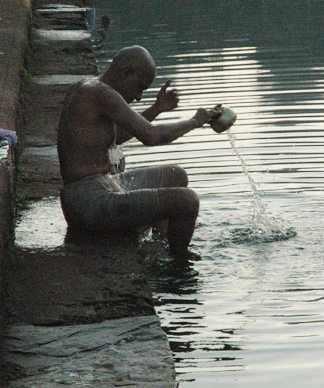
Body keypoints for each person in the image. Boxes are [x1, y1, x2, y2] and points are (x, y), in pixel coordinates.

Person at [57, 45, 221, 255]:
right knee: (187, 201)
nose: (139, 97)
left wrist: (157, 109)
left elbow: (119, 136)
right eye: (140, 87)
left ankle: (161, 247)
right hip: (89, 203)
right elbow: (152, 136)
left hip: (100, 187)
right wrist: (195, 121)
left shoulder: (89, 88)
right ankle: (178, 265)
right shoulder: (100, 93)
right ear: (126, 73)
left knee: (175, 175)